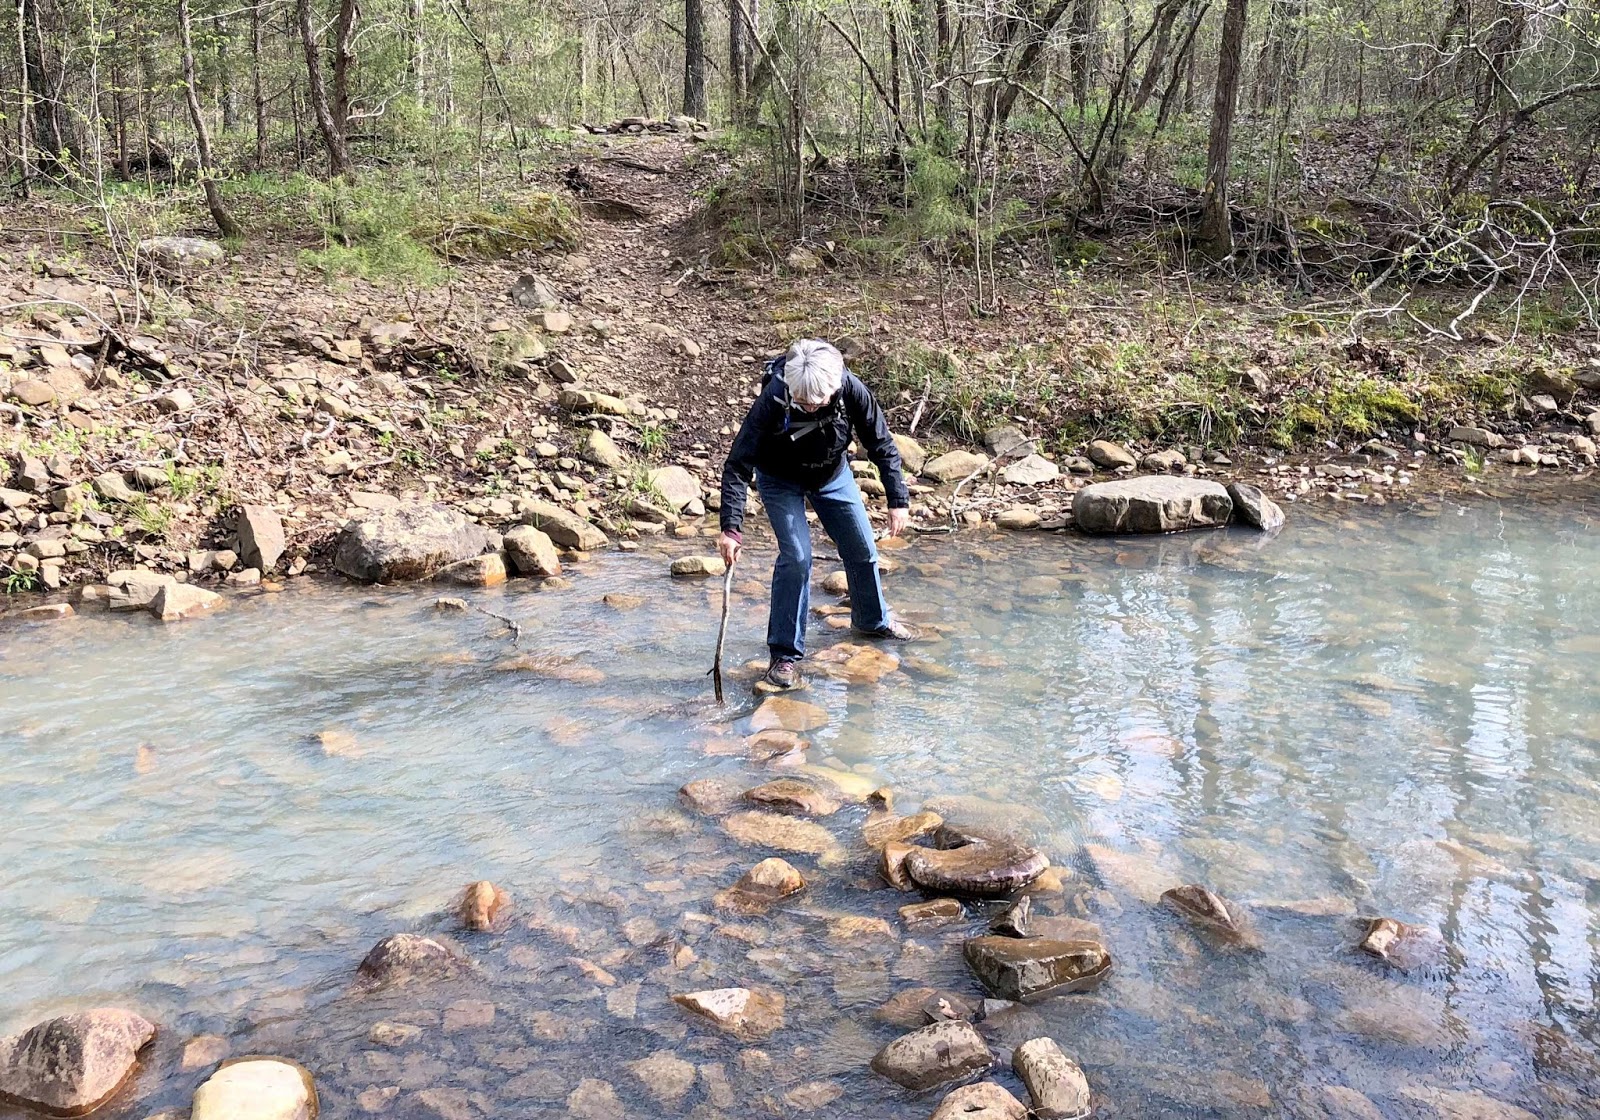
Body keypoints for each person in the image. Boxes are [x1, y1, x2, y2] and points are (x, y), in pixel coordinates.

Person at [719, 338, 914, 691]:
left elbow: (881, 443)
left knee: (862, 548)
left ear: (834, 387)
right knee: (796, 558)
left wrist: (897, 499)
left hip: (832, 474)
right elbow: (738, 464)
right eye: (802, 401)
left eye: (817, 402)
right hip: (779, 480)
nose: (810, 407)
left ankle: (871, 622)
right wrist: (731, 528)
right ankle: (784, 656)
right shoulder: (774, 397)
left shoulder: (852, 389)